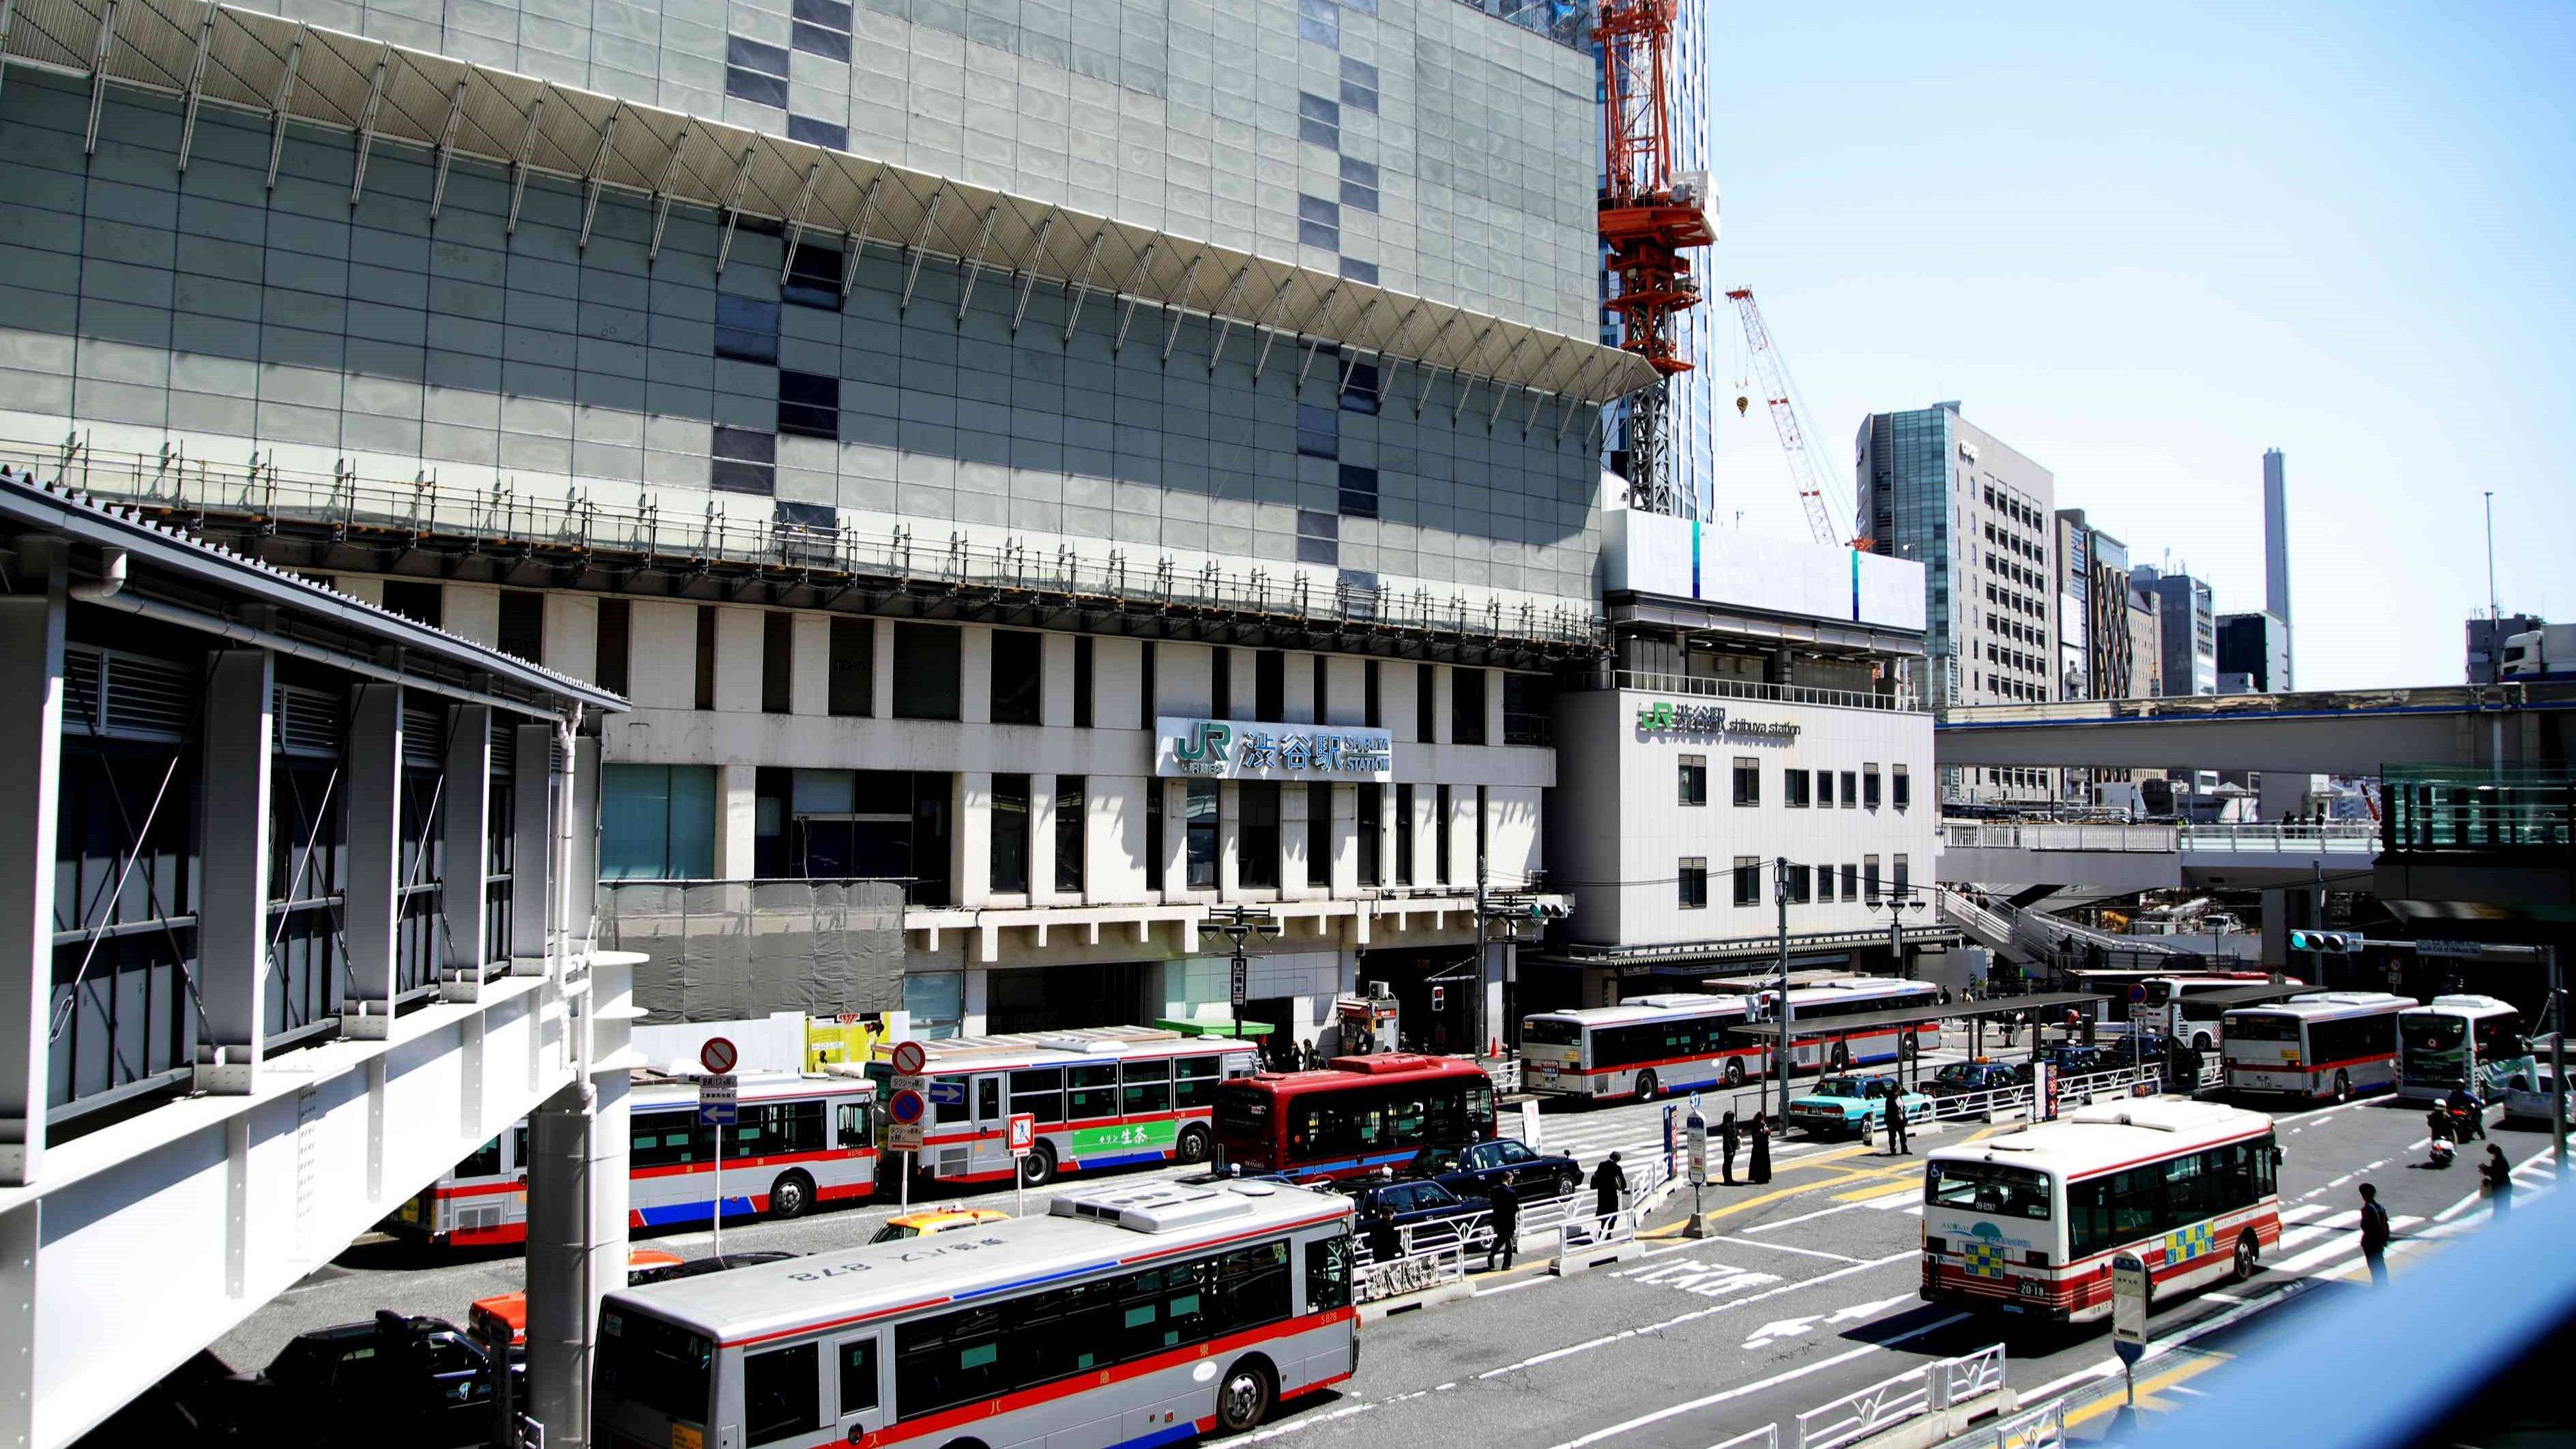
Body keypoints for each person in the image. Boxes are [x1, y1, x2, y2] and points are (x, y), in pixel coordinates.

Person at [2357, 1183, 2391, 1287]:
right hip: (2380, 1240)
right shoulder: (2380, 1207)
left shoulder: (2367, 1209)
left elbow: (2365, 1226)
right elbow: (2386, 1224)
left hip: (2370, 1241)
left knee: (2373, 1264)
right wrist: (2385, 1239)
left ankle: (2379, 1286)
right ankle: (2383, 1284)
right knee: (2380, 1263)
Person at [1484, 1180, 1520, 1271]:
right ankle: (1506, 1264)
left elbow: (1492, 1203)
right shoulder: (1512, 1193)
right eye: (1512, 1179)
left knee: (1500, 1239)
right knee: (1509, 1243)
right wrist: (1518, 1208)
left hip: (1497, 1219)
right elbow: (1515, 1208)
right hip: (1508, 1221)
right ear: (1509, 1179)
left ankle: (1491, 1256)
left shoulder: (1494, 1190)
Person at [1592, 1152, 1628, 1223]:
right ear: (1618, 1160)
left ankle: (1601, 1232)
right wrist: (1623, 1188)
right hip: (1612, 1195)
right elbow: (1622, 1182)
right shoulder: (1617, 1168)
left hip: (1602, 1194)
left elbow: (1597, 1175)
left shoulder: (1601, 1164)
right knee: (1612, 1216)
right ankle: (1609, 1233)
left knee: (1602, 1217)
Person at [2485, 1144, 2514, 1214]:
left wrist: (2485, 1169)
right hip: (2505, 1185)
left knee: (2500, 1205)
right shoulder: (2500, 1158)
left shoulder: (2498, 1160)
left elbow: (2495, 1172)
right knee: (2504, 1204)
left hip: (2500, 1186)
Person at [1884, 1090, 1910, 1156]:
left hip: (1901, 1120)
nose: (1897, 1093)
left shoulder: (1899, 1097)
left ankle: (1904, 1150)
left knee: (1903, 1135)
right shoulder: (1890, 1100)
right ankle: (1893, 1150)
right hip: (1893, 1121)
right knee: (1893, 1136)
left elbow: (1902, 1108)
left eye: (1898, 1092)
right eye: (1896, 1092)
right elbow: (1887, 1112)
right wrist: (1888, 1122)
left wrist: (1904, 1117)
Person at [1718, 1109, 1740, 1186]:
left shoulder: (1731, 1124)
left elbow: (1734, 1133)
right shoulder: (1727, 1126)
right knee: (1727, 1164)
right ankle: (1727, 1180)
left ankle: (1729, 1179)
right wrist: (1730, 1150)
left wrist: (1738, 1132)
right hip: (1729, 1148)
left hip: (1732, 1146)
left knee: (1729, 1164)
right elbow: (1727, 1139)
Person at [1749, 1113, 1772, 1184]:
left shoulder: (1763, 1124)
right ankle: (1758, 1178)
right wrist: (1764, 1132)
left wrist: (1768, 1131)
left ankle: (1765, 1177)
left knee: (1764, 1162)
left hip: (1764, 1146)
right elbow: (1756, 1135)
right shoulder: (1755, 1125)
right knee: (1759, 1163)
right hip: (1758, 1146)